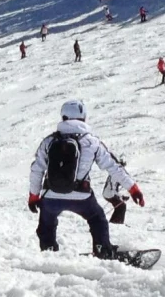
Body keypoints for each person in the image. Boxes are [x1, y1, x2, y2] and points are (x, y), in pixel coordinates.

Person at [29, 100, 141, 257]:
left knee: (47, 223)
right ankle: (102, 250)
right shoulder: (92, 142)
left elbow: (36, 170)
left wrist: (34, 196)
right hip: (82, 196)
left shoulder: (49, 141)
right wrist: (133, 188)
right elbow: (113, 167)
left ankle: (49, 252)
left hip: (51, 196)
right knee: (97, 219)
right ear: (83, 117)